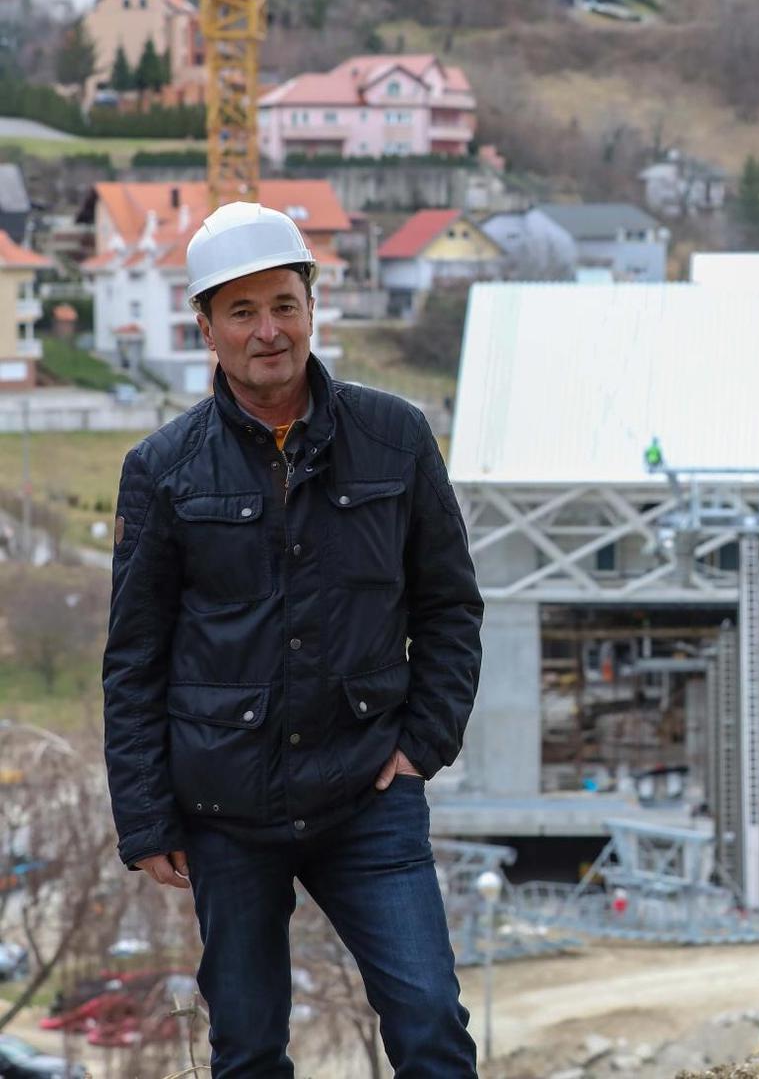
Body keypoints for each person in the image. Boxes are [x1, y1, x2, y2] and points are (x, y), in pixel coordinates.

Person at [102, 202, 485, 1077]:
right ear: (206, 329)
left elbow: (449, 607)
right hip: (225, 809)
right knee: (246, 1046)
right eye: (241, 311)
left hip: (367, 791)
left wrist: (421, 746)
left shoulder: (394, 438)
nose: (268, 331)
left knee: (430, 1020)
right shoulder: (162, 470)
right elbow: (134, 658)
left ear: (312, 308)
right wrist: (147, 816)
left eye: (284, 304)